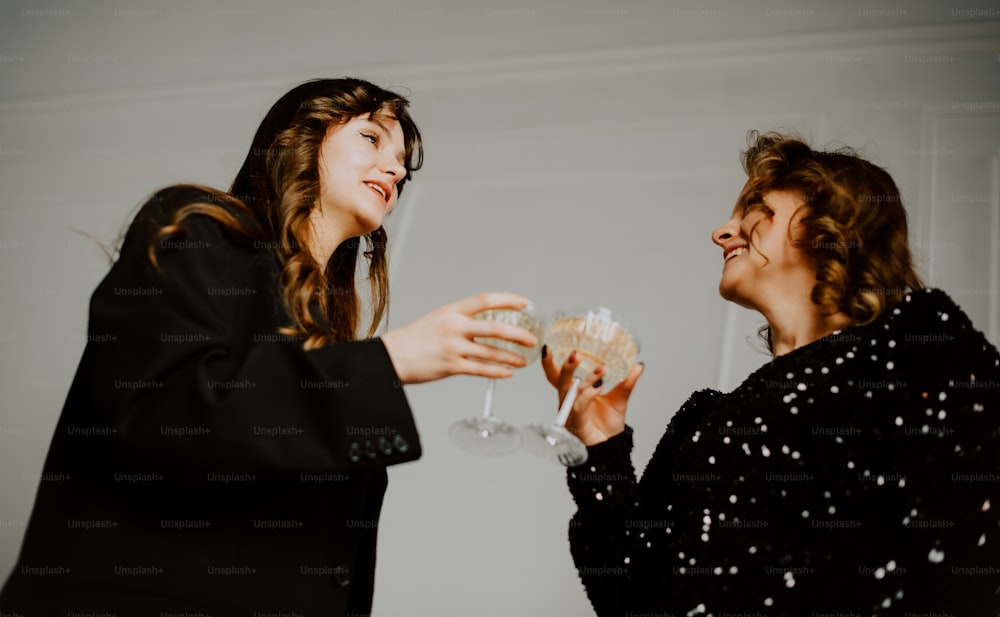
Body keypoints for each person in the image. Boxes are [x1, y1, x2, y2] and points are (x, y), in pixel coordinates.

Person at [0, 78, 537, 616]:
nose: (396, 169)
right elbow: (163, 414)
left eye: (403, 162)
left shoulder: (325, 344)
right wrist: (389, 361)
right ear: (297, 138)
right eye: (372, 139)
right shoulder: (197, 229)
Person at [543, 131, 1000, 615]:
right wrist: (600, 451)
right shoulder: (705, 420)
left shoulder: (922, 351)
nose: (721, 232)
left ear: (830, 226)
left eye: (755, 209)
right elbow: (632, 599)